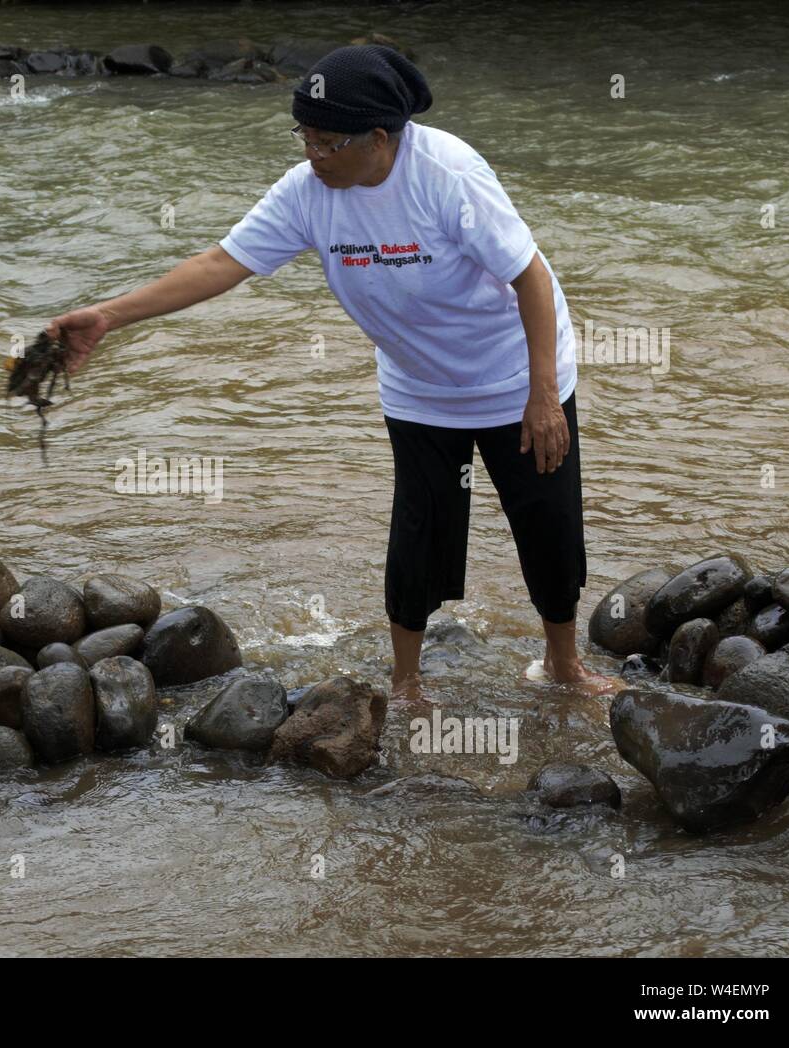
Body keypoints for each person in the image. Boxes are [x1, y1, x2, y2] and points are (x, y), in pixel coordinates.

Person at [46, 45, 618, 700]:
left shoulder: (447, 174)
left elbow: (531, 276)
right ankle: (407, 685)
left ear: (378, 139)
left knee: (545, 523)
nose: (312, 154)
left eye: (326, 142)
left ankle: (563, 666)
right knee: (419, 534)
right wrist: (109, 317)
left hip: (517, 375)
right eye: (305, 138)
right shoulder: (308, 193)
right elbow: (220, 263)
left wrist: (543, 394)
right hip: (420, 389)